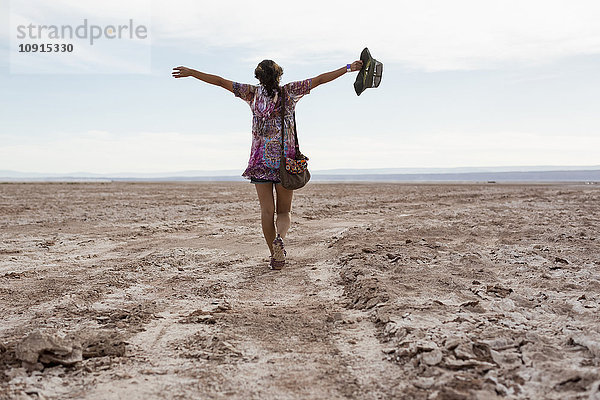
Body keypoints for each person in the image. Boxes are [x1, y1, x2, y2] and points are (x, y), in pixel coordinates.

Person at [172, 59, 363, 270]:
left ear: (258, 77)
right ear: (279, 75)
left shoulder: (251, 93)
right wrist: (348, 68)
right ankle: (280, 237)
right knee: (284, 212)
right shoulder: (290, 92)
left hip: (260, 163)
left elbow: (219, 81)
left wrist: (191, 72)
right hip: (285, 163)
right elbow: (319, 80)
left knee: (266, 211)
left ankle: (275, 255)